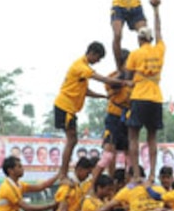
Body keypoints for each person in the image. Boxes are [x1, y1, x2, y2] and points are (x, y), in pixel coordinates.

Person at [54, 43, 125, 177]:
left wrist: (102, 96)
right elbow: (102, 78)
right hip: (65, 106)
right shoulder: (81, 67)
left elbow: (84, 91)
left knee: (72, 140)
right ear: (92, 53)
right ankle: (62, 173)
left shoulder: (82, 68)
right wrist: (121, 82)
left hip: (69, 108)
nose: (97, 61)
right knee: (72, 140)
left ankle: (63, 172)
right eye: (98, 58)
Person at [125, 4, 165, 182]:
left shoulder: (134, 54)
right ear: (151, 38)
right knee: (152, 138)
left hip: (139, 96)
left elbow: (128, 76)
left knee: (133, 136)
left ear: (139, 40)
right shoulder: (159, 50)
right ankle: (151, 175)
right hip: (156, 97)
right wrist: (156, 10)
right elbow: (159, 29)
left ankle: (135, 174)